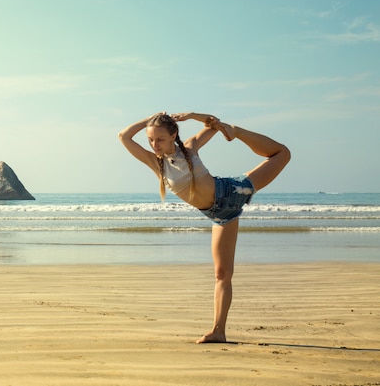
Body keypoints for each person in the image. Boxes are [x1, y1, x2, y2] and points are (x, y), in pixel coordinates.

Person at [118, 112, 290, 343]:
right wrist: (150, 118)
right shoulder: (156, 163)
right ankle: (218, 331)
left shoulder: (189, 147)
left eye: (159, 139)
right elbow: (124, 136)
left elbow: (213, 124)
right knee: (222, 274)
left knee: (282, 154)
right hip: (220, 215)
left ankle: (237, 131)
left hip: (232, 191)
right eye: (150, 140)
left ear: (173, 136)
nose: (153, 144)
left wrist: (193, 116)